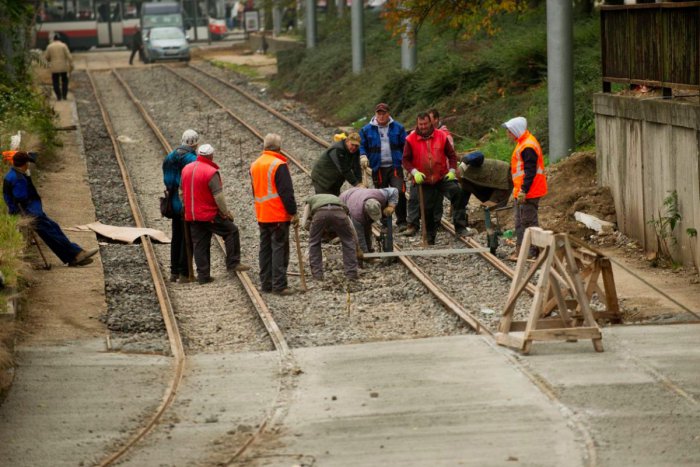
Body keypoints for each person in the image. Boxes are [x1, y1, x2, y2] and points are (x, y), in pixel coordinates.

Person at [3, 152, 97, 266]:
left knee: (53, 230)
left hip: (31, 211)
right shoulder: (19, 179)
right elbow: (20, 197)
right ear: (24, 164)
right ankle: (76, 254)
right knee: (52, 233)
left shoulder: (12, 174)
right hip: (29, 213)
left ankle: (73, 256)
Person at [180, 144, 250, 284]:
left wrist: (186, 207)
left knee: (200, 244)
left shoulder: (186, 169)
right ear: (211, 156)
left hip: (192, 215)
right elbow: (218, 196)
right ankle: (233, 263)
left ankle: (203, 276)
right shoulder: (211, 172)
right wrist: (226, 212)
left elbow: (181, 190)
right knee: (231, 231)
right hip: (209, 214)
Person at [402, 112, 466, 244]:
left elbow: (452, 155)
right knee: (427, 208)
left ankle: (460, 227)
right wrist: (414, 172)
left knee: (458, 193)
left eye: (425, 124)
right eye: (421, 124)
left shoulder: (441, 136)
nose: (423, 127)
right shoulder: (410, 139)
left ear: (431, 122)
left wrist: (452, 170)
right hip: (423, 179)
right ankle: (430, 237)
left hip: (441, 176)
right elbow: (405, 160)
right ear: (417, 124)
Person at [250, 134, 298, 295]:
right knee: (279, 249)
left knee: (265, 249)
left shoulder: (255, 165)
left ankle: (266, 284)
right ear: (278, 148)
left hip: (262, 213)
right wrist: (293, 212)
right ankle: (279, 285)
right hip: (277, 214)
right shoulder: (279, 164)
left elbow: (254, 190)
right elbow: (286, 192)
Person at [502, 116, 548, 260]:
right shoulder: (523, 142)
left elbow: (530, 171)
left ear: (515, 130)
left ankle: (532, 252)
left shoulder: (527, 146)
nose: (507, 134)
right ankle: (522, 251)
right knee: (521, 222)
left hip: (529, 191)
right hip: (523, 191)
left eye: (509, 131)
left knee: (528, 222)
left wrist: (524, 190)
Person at [358, 103, 408, 230]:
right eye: (378, 113)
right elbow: (361, 145)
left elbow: (406, 146)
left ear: (388, 114)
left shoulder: (398, 128)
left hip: (395, 165)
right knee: (381, 195)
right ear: (375, 114)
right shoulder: (366, 130)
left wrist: (408, 163)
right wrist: (363, 155)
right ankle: (385, 222)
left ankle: (402, 221)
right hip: (378, 167)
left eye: (383, 113)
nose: (381, 116)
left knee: (400, 192)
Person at [162, 129, 199, 282]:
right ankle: (185, 273)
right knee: (187, 237)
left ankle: (174, 272)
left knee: (176, 236)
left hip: (172, 200)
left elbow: (167, 179)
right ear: (195, 143)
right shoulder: (193, 159)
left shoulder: (170, 156)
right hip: (185, 201)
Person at [302, 193, 358, 281]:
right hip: (339, 212)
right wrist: (357, 247)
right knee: (348, 241)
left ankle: (317, 275)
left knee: (314, 243)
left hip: (320, 214)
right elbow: (352, 228)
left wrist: (317, 232)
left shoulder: (309, 201)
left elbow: (304, 223)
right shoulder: (338, 200)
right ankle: (351, 274)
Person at [456, 150, 512, 222]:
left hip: (504, 174)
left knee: (497, 207)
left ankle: (501, 223)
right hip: (491, 179)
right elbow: (462, 199)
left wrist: (465, 160)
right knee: (488, 205)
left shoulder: (465, 163)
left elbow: (479, 154)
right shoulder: (464, 181)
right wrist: (457, 212)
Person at [339, 186, 398, 253]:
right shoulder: (356, 214)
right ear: (366, 212)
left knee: (367, 226)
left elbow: (394, 191)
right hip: (345, 199)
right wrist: (365, 254)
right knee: (357, 231)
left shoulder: (380, 195)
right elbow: (359, 237)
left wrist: (391, 206)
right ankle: (365, 252)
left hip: (359, 193)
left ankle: (369, 249)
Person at [44, 33, 73, 101]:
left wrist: (49, 61)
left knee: (55, 82)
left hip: (54, 67)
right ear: (59, 39)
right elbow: (69, 56)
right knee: (64, 81)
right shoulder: (63, 46)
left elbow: (46, 57)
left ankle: (58, 96)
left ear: (53, 39)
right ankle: (64, 95)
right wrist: (71, 64)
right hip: (63, 67)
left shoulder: (50, 46)